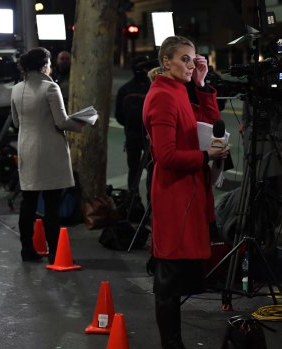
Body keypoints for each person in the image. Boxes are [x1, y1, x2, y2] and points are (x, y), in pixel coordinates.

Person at [142, 35, 228, 349]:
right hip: (174, 195)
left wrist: (203, 85)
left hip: (187, 193)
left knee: (177, 274)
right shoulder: (163, 96)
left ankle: (174, 343)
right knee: (169, 276)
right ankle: (172, 344)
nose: (192, 65)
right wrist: (206, 157)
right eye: (185, 59)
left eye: (194, 59)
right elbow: (165, 156)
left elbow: (206, 123)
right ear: (166, 62)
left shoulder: (177, 90)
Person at [10, 47, 85, 263]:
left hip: (26, 148)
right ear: (44, 65)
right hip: (50, 149)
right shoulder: (50, 88)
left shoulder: (16, 89)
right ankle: (54, 252)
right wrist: (82, 121)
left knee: (28, 202)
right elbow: (61, 121)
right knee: (52, 204)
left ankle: (27, 250)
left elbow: (16, 122)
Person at [114, 56, 155, 198]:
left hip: (132, 135)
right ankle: (151, 203)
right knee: (152, 169)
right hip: (151, 135)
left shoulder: (125, 89)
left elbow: (119, 116)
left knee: (134, 170)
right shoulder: (153, 88)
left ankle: (133, 202)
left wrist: (130, 126)